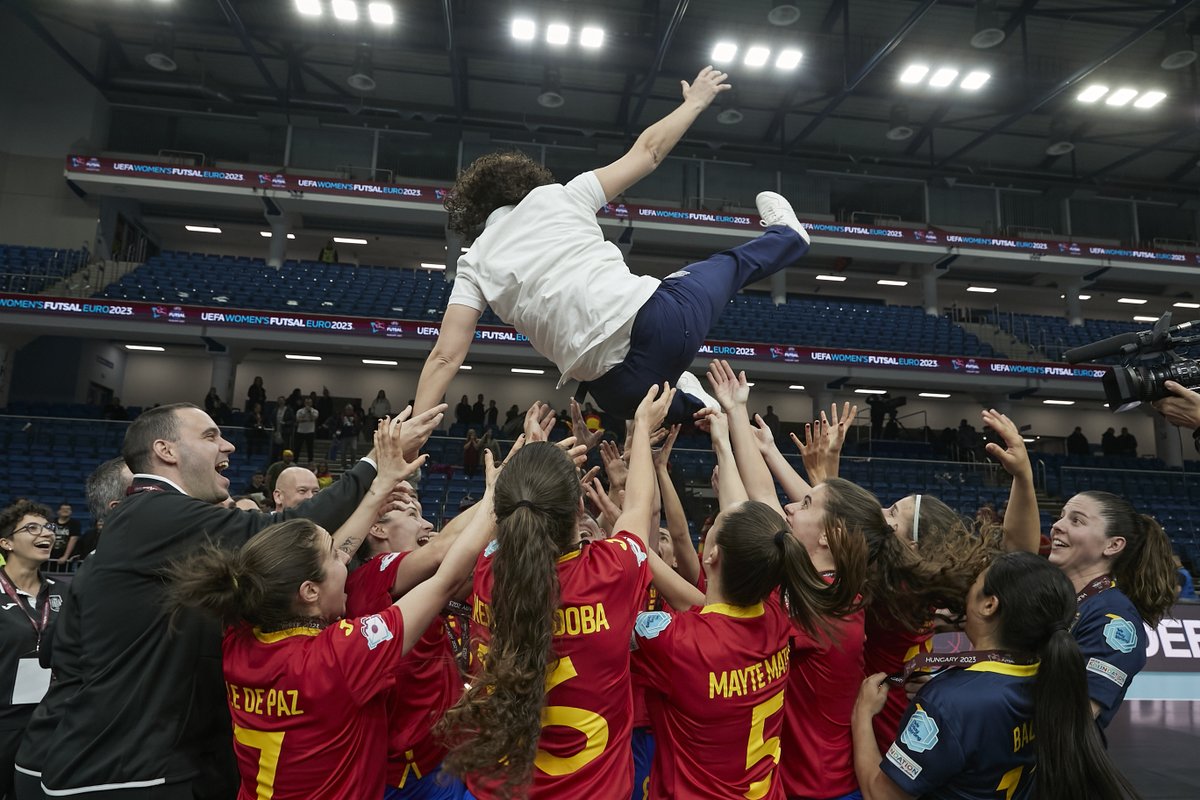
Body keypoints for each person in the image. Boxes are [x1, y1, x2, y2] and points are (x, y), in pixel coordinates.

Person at [21, 402, 444, 799]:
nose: (228, 445)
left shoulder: (156, 525)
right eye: (210, 436)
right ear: (165, 450)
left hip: (143, 760)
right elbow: (289, 528)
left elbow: (327, 556)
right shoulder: (154, 512)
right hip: (124, 770)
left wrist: (377, 491)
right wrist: (374, 463)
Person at [413, 66, 811, 429]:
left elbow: (445, 357)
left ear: (476, 218)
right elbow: (648, 152)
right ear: (521, 185)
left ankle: (693, 404)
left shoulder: (474, 263)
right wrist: (695, 102)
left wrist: (412, 431)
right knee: (731, 264)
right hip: (663, 327)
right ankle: (789, 237)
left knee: (637, 405)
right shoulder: (557, 196)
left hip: (620, 392)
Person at [166, 481, 493, 800]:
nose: (346, 562)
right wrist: (495, 495)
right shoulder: (337, 654)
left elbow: (306, 566)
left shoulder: (239, 636)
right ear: (309, 591)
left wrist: (379, 487)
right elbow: (445, 581)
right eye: (336, 557)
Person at [439, 384, 673, 798]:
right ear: (581, 509)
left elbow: (513, 513)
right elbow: (638, 507)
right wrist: (641, 424)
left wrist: (533, 455)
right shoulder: (610, 573)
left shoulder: (487, 572)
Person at [628, 408, 864, 799]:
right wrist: (723, 437)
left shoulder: (680, 643)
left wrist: (631, 542)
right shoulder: (779, 615)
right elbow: (753, 518)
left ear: (710, 556)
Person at [852, 552, 1142, 800]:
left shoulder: (948, 702)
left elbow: (883, 795)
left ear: (989, 605)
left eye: (975, 583)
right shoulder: (1049, 677)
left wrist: (862, 716)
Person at [1048, 490, 1176, 729]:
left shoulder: (1114, 619)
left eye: (1076, 520)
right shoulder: (1055, 600)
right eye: (1061, 516)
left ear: (1113, 545)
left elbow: (1073, 719)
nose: (1056, 525)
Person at [0, 501, 61, 800]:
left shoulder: (64, 592)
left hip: (51, 720)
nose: (46, 534)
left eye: (48, 528)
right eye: (32, 528)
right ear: (6, 542)